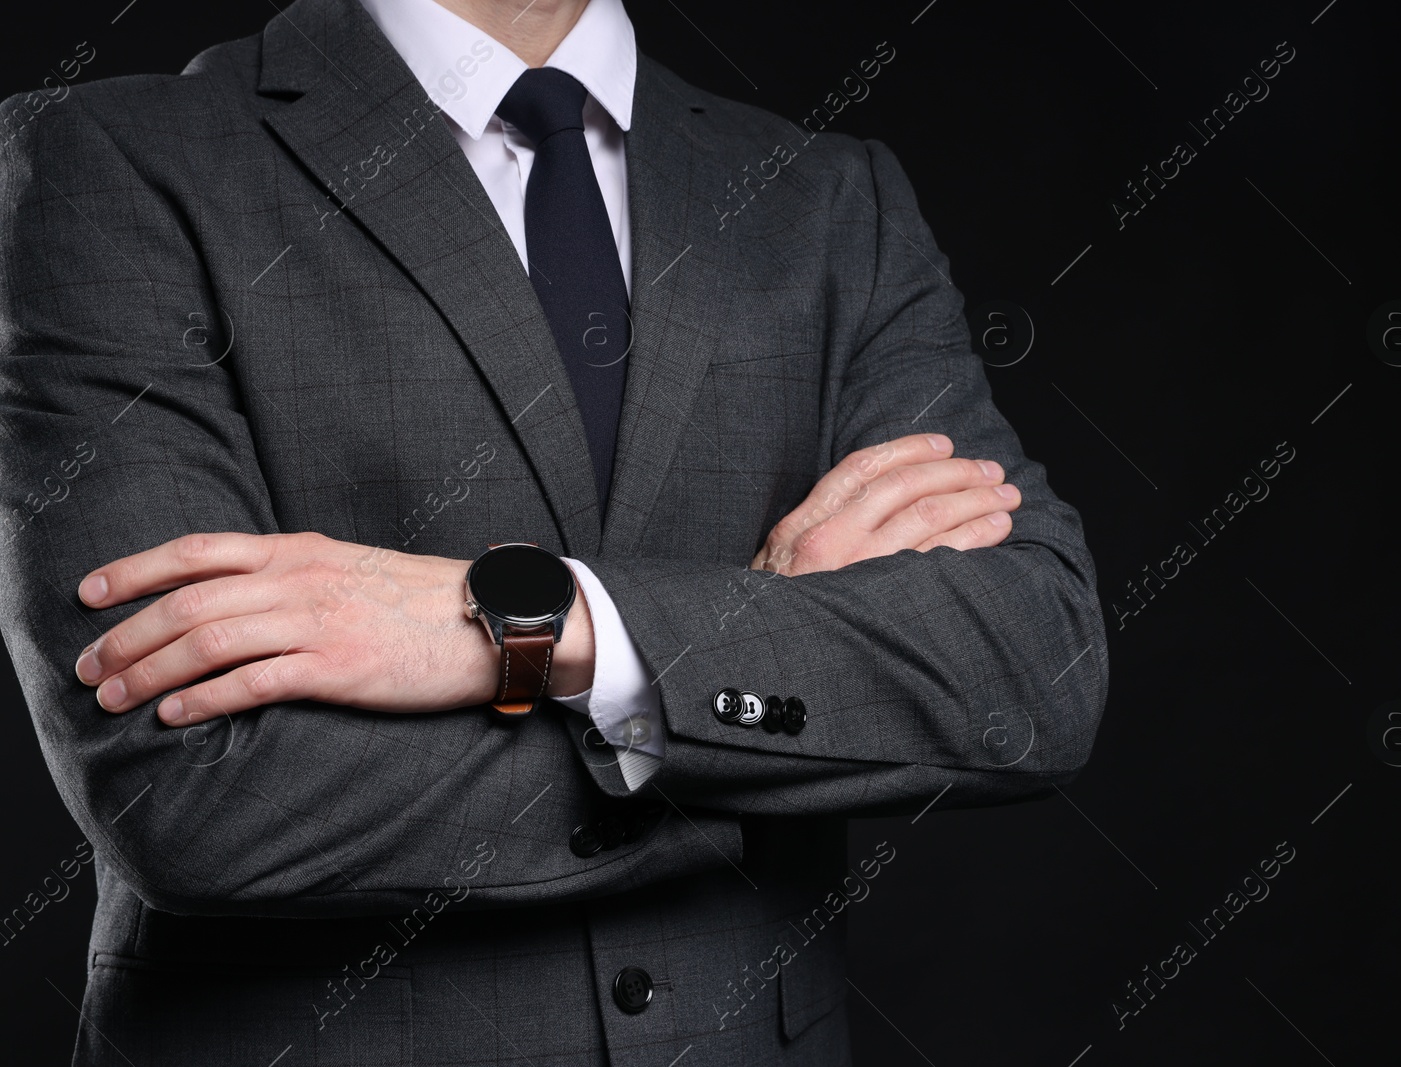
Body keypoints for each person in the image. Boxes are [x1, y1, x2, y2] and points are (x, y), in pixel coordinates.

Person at [0, 0, 1108, 1062]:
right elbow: (194, 795)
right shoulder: (108, 158)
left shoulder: (829, 200)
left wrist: (542, 625)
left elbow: (1030, 671)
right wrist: (749, 651)